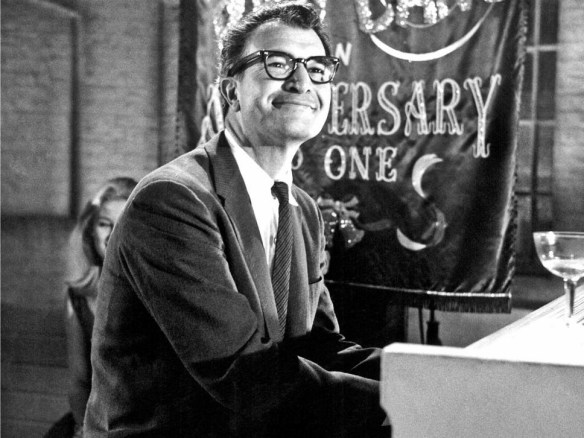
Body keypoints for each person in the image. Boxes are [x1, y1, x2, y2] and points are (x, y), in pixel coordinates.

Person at [84, 3, 389, 437]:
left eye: (318, 67)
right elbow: (244, 374)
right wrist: (402, 401)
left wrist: (435, 373)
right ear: (231, 91)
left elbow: (316, 346)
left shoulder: (302, 209)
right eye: (278, 63)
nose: (302, 81)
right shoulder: (173, 200)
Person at [45, 177, 137, 438]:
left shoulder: (156, 291)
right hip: (95, 422)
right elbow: (79, 381)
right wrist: (83, 429)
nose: (111, 236)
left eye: (123, 224)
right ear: (90, 230)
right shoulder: (77, 297)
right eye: (104, 224)